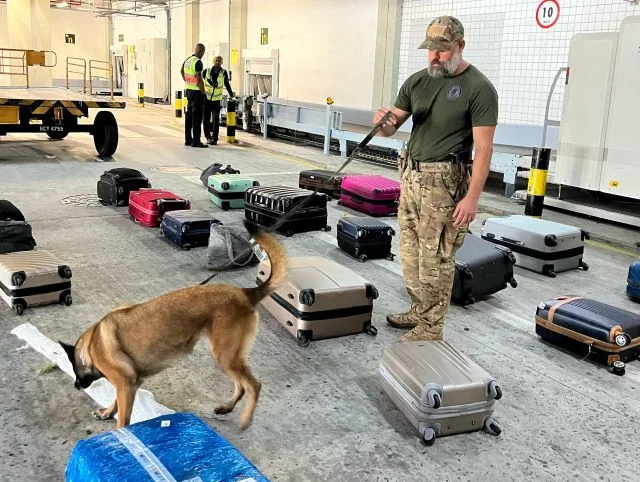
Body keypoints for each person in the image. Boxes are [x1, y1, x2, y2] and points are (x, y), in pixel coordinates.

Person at [373, 15, 498, 342]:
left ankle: (431, 327)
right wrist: (384, 123)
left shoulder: (479, 88)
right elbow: (392, 126)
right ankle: (418, 309)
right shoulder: (417, 82)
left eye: (442, 50)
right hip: (411, 177)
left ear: (460, 46)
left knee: (436, 258)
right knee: (410, 251)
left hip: (445, 184)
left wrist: (471, 198)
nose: (434, 57)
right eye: (430, 50)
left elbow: (484, 149)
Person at [202, 56, 235, 145]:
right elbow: (200, 82)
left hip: (216, 100)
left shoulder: (224, 73)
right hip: (207, 100)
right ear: (213, 61)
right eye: (216, 60)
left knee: (216, 119)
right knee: (206, 119)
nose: (217, 62)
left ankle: (215, 138)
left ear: (222, 62)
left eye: (219, 61)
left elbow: (227, 84)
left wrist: (232, 95)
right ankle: (208, 137)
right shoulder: (206, 71)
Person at [181, 43, 208, 148]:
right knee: (197, 117)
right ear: (201, 52)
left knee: (189, 116)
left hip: (189, 91)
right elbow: (199, 78)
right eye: (203, 52)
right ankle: (196, 141)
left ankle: (188, 139)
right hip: (197, 93)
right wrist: (203, 92)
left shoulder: (188, 60)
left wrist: (187, 81)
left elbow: (181, 71)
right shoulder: (198, 62)